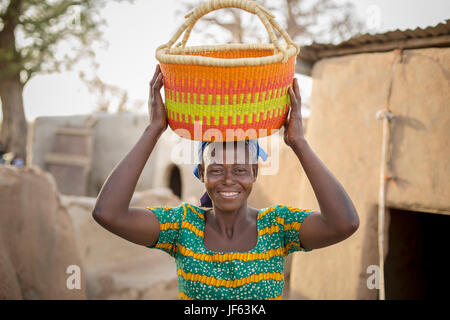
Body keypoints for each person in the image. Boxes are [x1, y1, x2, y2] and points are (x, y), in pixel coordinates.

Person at [93, 65, 360, 300]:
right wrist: (153, 129)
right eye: (217, 169)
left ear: (255, 172)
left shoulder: (277, 227)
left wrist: (299, 143)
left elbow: (343, 224)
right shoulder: (183, 227)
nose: (229, 180)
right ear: (202, 172)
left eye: (241, 170)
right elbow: (108, 213)